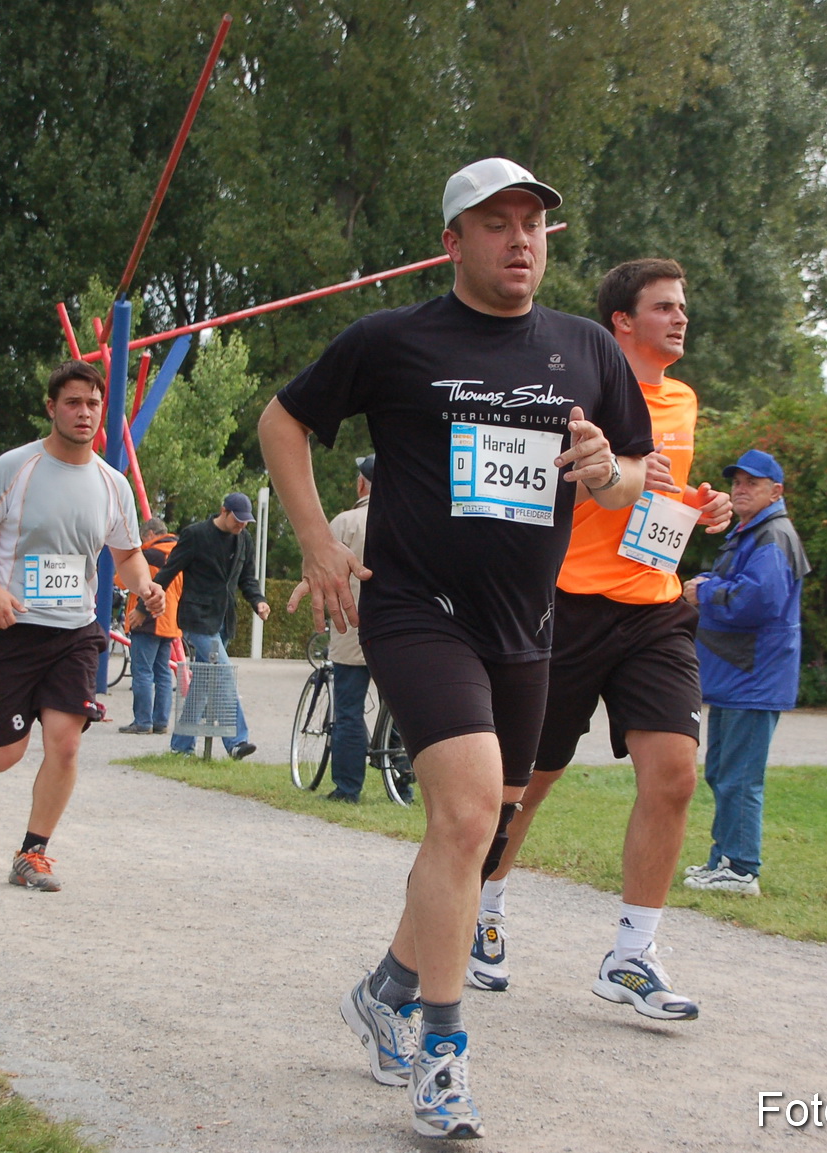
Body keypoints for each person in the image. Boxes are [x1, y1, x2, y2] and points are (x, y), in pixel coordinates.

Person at [258, 156, 652, 1140]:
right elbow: (283, 419)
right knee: (469, 811)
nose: (521, 239)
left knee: (484, 833)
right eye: (496, 222)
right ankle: (443, 1050)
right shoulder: (393, 341)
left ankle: (385, 988)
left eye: (533, 223)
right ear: (454, 242)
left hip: (523, 624)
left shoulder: (585, 352)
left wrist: (611, 471)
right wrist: (315, 540)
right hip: (415, 609)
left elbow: (637, 476)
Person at [470, 259, 732, 1015]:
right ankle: (482, 909)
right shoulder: (576, 389)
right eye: (664, 307)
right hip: (567, 603)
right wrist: (603, 471)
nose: (681, 318)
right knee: (530, 780)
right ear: (623, 321)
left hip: (653, 605)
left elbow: (666, 490)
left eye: (683, 305)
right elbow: (522, 481)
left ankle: (631, 954)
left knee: (676, 772)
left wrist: (700, 504)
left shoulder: (682, 399)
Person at [0, 359, 163, 892]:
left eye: (92, 403)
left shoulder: (111, 484)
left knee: (64, 744)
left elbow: (127, 554)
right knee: (8, 752)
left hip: (75, 631)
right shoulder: (15, 467)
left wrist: (144, 586)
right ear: (52, 408)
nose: (84, 413)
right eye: (73, 402)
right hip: (10, 629)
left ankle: (32, 853)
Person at [681, 448, 807, 898]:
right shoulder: (753, 533)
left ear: (776, 491)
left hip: (754, 677)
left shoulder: (772, 536)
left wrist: (706, 590)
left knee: (739, 776)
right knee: (723, 771)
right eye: (736, 482)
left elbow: (760, 601)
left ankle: (740, 868)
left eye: (752, 483)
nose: (740, 489)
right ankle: (724, 859)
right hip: (741, 678)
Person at [152, 493, 271, 760]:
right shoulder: (195, 534)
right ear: (223, 511)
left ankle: (181, 745)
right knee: (224, 673)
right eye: (238, 520)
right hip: (197, 619)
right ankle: (237, 741)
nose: (241, 526)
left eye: (246, 522)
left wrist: (259, 601)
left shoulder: (245, 540)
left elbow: (247, 579)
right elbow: (169, 570)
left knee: (203, 685)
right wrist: (143, 605)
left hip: (224, 619)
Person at [322, 455, 377, 803]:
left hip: (351, 632)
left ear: (361, 484)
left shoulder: (344, 522)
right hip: (401, 633)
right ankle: (401, 781)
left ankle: (347, 787)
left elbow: (322, 573)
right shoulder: (408, 519)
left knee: (348, 712)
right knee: (403, 712)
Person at [118, 517, 183, 735]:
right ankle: (161, 721)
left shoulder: (150, 555)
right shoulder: (179, 552)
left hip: (147, 619)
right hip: (171, 619)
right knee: (163, 672)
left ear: (149, 535)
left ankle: (142, 721)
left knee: (142, 671)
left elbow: (122, 579)